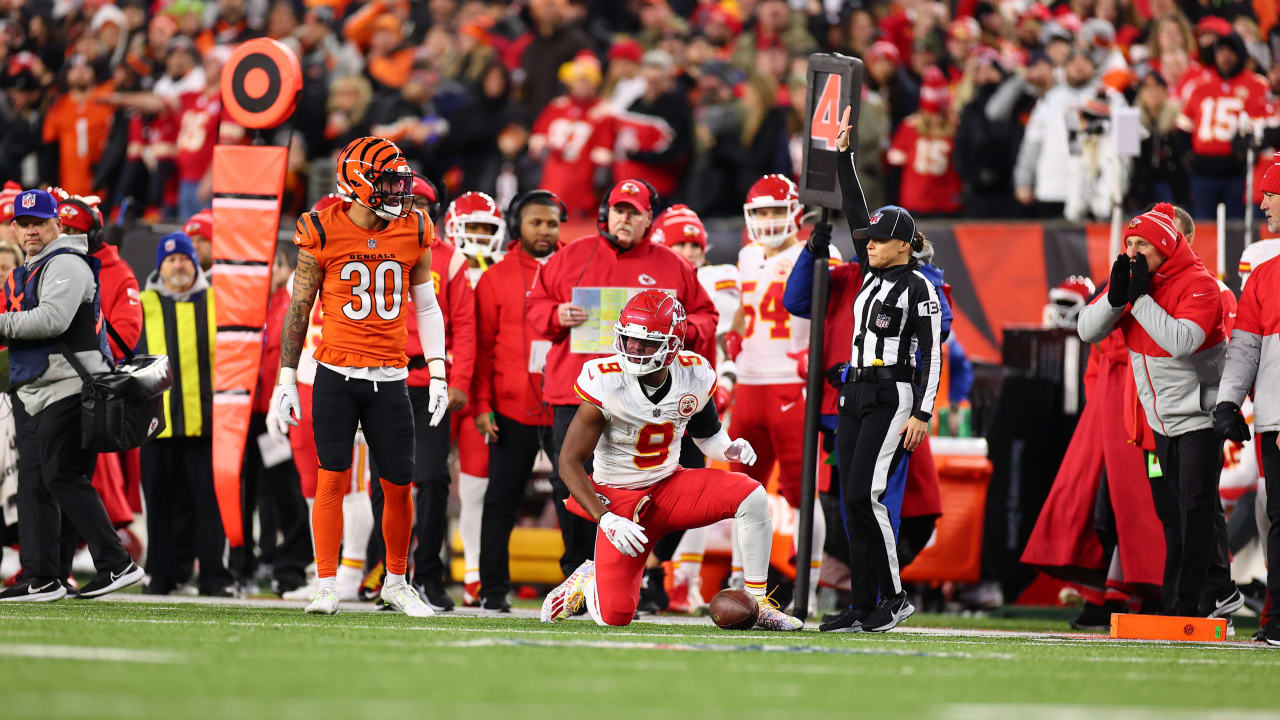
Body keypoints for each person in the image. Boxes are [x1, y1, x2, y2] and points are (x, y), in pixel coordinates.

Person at [540, 290, 800, 631]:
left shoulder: (693, 373)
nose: (633, 349)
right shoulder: (605, 379)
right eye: (629, 339)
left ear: (673, 345)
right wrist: (605, 519)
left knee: (752, 495)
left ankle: (759, 601)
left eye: (645, 344)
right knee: (614, 616)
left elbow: (707, 436)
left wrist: (728, 449)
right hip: (619, 501)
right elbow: (568, 462)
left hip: (668, 486)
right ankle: (589, 578)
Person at [268, 136, 448, 618]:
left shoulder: (415, 227)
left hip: (390, 378)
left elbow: (427, 306)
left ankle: (395, 580)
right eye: (387, 183)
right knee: (332, 481)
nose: (398, 193)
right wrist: (286, 378)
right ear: (356, 183)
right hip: (335, 374)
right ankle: (326, 582)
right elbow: (299, 308)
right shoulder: (320, 229)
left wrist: (438, 373)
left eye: (400, 183)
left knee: (397, 485)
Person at [526, 178, 717, 579]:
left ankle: (643, 568)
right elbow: (535, 308)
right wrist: (555, 315)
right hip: (579, 392)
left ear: (650, 218)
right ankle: (578, 571)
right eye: (619, 210)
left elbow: (706, 316)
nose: (625, 218)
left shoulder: (672, 263)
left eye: (634, 212)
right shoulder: (571, 255)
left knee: (665, 482)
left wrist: (681, 329)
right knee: (572, 484)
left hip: (649, 397)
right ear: (605, 214)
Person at [817, 108, 943, 634]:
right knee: (850, 498)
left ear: (904, 243)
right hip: (855, 391)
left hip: (893, 394)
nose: (867, 243)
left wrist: (923, 410)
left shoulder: (920, 287)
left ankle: (892, 597)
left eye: (878, 238)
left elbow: (931, 353)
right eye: (866, 238)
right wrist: (844, 157)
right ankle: (862, 600)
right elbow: (854, 210)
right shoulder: (872, 274)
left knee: (867, 496)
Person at [1078, 203, 1228, 617]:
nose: (1132, 250)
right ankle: (1176, 600)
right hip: (1157, 424)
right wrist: (1114, 298)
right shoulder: (1134, 283)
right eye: (1128, 242)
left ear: (1164, 245)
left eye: (1141, 242)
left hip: (1200, 418)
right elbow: (1086, 330)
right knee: (1172, 514)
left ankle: (1196, 601)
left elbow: (1181, 341)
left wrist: (1139, 300)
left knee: (1197, 508)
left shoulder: (1202, 284)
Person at [0, 189, 143, 602]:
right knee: (34, 485)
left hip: (71, 388)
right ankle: (41, 576)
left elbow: (52, 319)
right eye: (24, 224)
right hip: (35, 390)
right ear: (15, 227)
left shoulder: (65, 261)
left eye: (38, 223)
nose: (31, 231)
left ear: (56, 225)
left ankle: (117, 562)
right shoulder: (33, 266)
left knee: (61, 476)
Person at [724, 174, 836, 615]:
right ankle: (741, 581)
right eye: (762, 212)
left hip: (793, 386)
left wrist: (819, 356)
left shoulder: (816, 252)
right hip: (750, 386)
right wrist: (731, 353)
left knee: (803, 494)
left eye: (776, 210)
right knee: (738, 491)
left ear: (795, 213)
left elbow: (836, 314)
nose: (769, 220)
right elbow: (738, 320)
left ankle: (808, 587)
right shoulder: (747, 256)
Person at [475, 190, 563, 613]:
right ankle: (492, 589)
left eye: (552, 223)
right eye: (536, 223)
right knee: (501, 499)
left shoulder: (577, 269)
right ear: (517, 226)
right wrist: (480, 404)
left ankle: (582, 587)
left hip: (568, 406)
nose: (545, 231)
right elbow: (481, 348)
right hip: (511, 407)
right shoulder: (495, 277)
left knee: (579, 499)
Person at [138, 232, 234, 596]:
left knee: (209, 504)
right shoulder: (143, 303)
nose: (177, 265)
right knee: (159, 504)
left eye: (183, 259)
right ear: (159, 268)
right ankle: (161, 574)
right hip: (155, 424)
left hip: (208, 423)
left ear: (195, 263)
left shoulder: (217, 301)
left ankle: (214, 575)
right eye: (170, 260)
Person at [653, 203, 737, 613]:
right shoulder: (648, 280)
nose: (688, 249)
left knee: (689, 493)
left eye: (693, 243)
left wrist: (729, 379)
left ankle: (657, 569)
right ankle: (649, 573)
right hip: (648, 405)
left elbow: (728, 338)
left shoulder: (714, 282)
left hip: (693, 399)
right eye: (679, 242)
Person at [1215, 162, 1280, 645]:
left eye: (1270, 195)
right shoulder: (1262, 277)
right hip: (1273, 421)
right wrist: (1228, 402)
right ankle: (1276, 617)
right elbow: (1245, 348)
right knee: (1276, 516)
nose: (1262, 204)